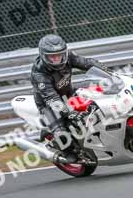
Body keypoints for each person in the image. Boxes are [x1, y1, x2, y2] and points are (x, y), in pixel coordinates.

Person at [31, 34, 107, 164]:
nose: (56, 59)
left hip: (69, 94)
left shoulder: (69, 57)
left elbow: (87, 63)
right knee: (62, 133)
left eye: (59, 55)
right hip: (48, 105)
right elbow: (52, 99)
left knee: (97, 104)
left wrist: (107, 72)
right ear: (44, 56)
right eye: (52, 57)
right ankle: (67, 153)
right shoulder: (39, 74)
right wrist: (69, 112)